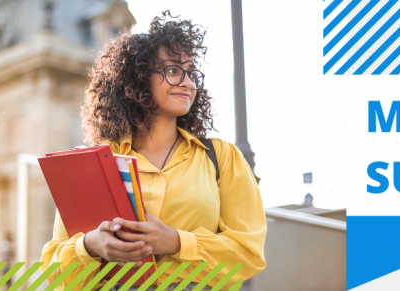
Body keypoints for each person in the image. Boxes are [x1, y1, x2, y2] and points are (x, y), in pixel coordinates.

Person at [41, 12, 266, 291]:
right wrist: (91, 246)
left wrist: (176, 241)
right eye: (172, 70)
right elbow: (55, 274)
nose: (187, 82)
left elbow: (248, 253)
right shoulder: (95, 164)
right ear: (138, 78)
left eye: (191, 72)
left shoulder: (222, 158)